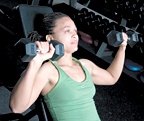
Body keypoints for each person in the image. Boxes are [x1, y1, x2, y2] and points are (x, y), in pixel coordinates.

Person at [10, 12, 128, 121]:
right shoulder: (49, 70)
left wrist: (122, 47)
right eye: (67, 31)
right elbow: (17, 107)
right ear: (50, 38)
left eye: (75, 31)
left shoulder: (85, 64)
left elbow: (112, 77)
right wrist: (36, 61)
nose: (75, 35)